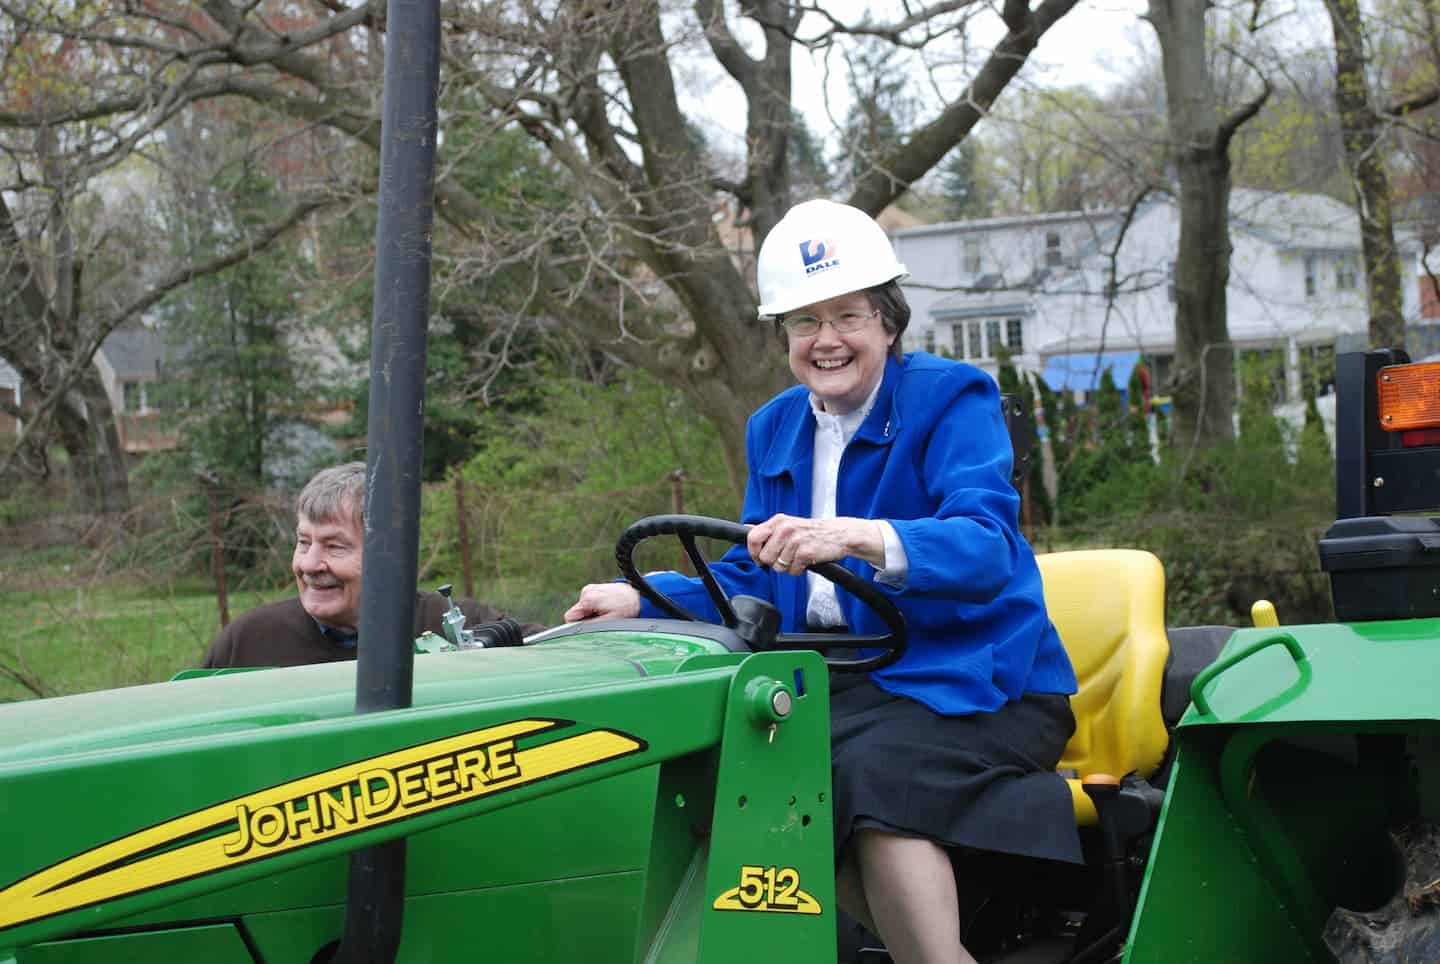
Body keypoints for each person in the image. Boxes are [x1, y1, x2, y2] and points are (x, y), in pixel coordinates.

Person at [564, 199, 1079, 964]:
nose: (827, 340)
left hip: (978, 679)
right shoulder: (774, 426)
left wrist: (854, 537)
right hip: (850, 683)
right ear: (784, 336)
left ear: (889, 324)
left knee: (871, 776)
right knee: (746, 766)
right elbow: (750, 571)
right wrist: (643, 596)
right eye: (805, 322)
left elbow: (986, 547)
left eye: (848, 317)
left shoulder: (952, 398)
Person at [203, 462, 543, 668]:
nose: (310, 564)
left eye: (334, 546)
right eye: (304, 542)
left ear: (390, 556)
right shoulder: (248, 641)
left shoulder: (461, 627)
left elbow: (574, 653)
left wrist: (598, 613)